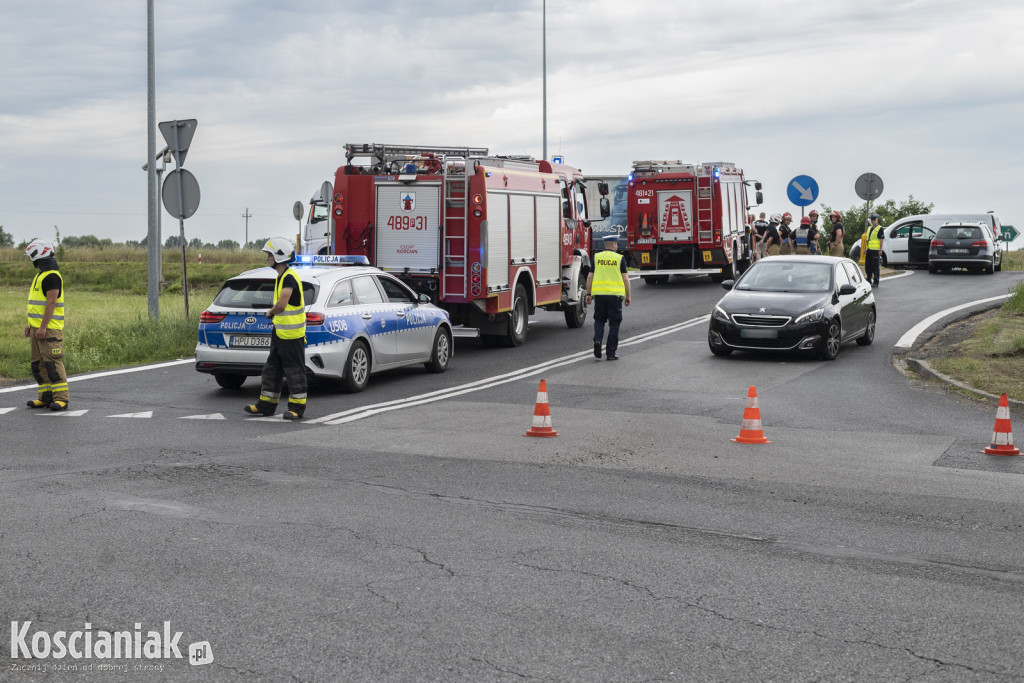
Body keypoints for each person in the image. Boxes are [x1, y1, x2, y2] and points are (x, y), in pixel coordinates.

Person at [244, 238, 308, 419]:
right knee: (271, 370)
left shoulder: (289, 277)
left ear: (280, 256)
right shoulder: (281, 276)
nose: (267, 259)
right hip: (280, 334)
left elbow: (282, 303)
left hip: (292, 335)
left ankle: (297, 408)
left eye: (270, 255)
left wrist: (270, 312)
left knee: (294, 372)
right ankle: (266, 405)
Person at [24, 240, 69, 411]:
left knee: (52, 364)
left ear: (39, 256)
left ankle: (62, 399)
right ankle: (45, 397)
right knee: (38, 365)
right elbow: (36, 305)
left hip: (49, 328)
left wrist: (42, 327)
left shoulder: (51, 276)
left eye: (32, 257)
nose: (31, 261)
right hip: (37, 328)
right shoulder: (41, 275)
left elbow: (51, 303)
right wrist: (30, 325)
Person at [585, 234, 631, 361]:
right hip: (615, 297)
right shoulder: (619, 258)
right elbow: (626, 279)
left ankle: (598, 341)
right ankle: (610, 353)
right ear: (614, 244)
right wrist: (628, 296)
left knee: (599, 320)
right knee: (614, 323)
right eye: (616, 244)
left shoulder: (596, 257)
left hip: (599, 296)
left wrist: (588, 294)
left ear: (605, 245)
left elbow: (589, 277)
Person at [865, 213, 885, 287]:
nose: (873, 221)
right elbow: (867, 240)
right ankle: (869, 280)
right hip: (869, 250)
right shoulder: (870, 228)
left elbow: (881, 240)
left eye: (874, 219)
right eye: (872, 219)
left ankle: (876, 282)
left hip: (875, 251)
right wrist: (864, 249)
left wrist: (880, 250)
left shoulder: (880, 228)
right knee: (867, 267)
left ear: (877, 219)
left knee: (875, 267)